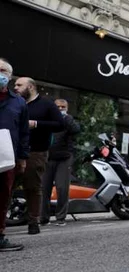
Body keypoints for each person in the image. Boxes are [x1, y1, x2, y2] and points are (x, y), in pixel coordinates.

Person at [14, 77, 64, 235]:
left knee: (32, 187)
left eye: (19, 85)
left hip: (35, 151)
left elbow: (59, 124)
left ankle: (33, 221)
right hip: (12, 151)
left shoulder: (47, 104)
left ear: (30, 87)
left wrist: (36, 124)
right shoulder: (15, 102)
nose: (15, 87)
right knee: (6, 187)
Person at [0, 58, 29, 252]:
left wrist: (22, 157)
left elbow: (24, 132)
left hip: (6, 157)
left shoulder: (18, 102)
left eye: (2, 71)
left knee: (2, 196)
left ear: (9, 77)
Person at [40, 99, 80, 226]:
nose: (61, 109)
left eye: (63, 107)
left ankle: (60, 218)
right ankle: (43, 218)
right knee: (43, 189)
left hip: (64, 158)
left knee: (62, 188)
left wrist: (66, 117)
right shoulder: (48, 119)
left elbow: (76, 130)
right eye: (58, 107)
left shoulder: (68, 120)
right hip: (47, 157)